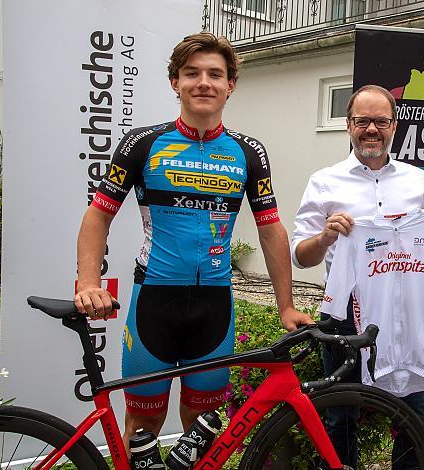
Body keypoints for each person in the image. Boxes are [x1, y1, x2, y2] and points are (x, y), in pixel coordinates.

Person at [74, 32, 313, 447]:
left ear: (230, 85)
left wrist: (286, 306)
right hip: (154, 303)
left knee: (202, 432)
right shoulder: (142, 144)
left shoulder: (248, 152)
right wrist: (89, 283)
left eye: (215, 74)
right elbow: (99, 215)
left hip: (214, 307)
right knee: (141, 432)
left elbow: (271, 229)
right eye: (192, 73)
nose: (204, 82)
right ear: (175, 82)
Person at [292, 84, 424, 467]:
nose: (372, 129)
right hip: (344, 315)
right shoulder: (324, 181)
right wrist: (325, 236)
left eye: (380, 121)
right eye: (362, 121)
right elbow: (301, 256)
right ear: (348, 125)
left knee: (412, 410)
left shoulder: (417, 180)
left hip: (407, 312)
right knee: (341, 415)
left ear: (394, 126)